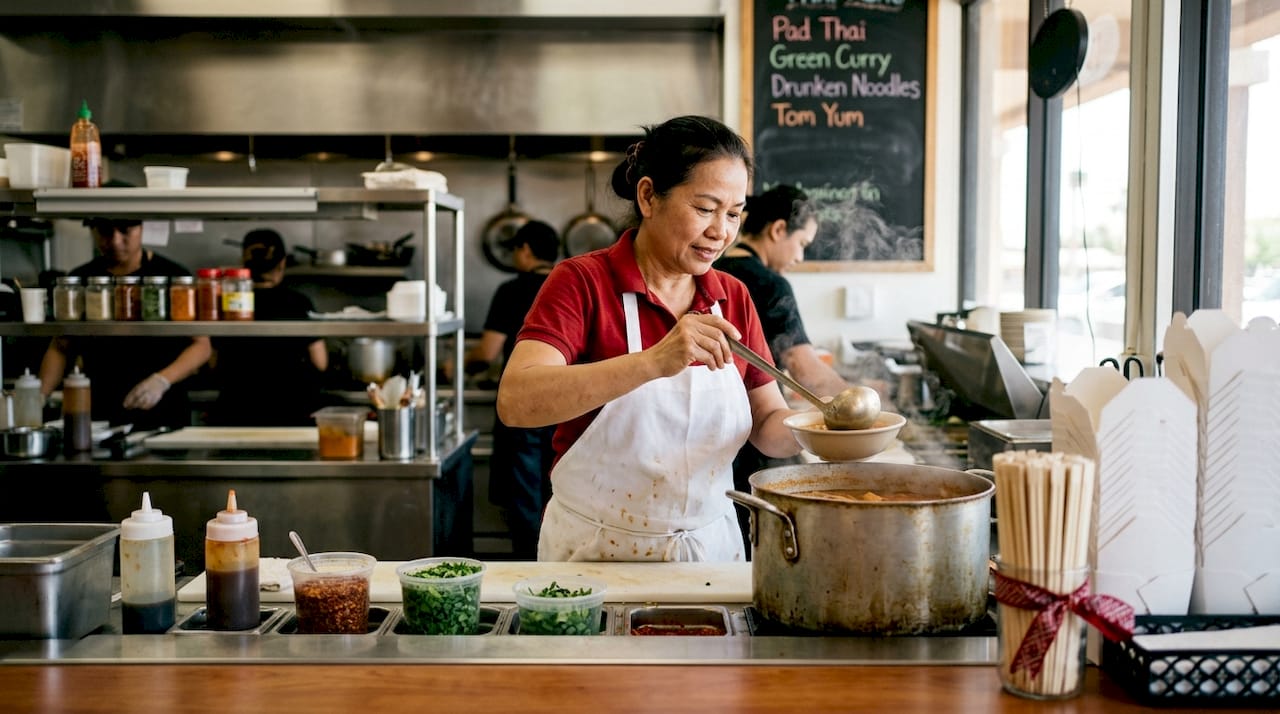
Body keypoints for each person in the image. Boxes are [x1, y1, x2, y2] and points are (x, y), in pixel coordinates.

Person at [497, 115, 801, 563]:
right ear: (648, 196)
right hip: (595, 557)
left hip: (709, 556)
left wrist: (818, 431)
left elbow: (768, 422)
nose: (721, 231)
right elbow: (516, 402)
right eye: (705, 208)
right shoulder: (582, 282)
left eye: (734, 213)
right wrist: (653, 362)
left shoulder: (732, 296)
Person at [713, 184, 857, 554]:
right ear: (778, 230)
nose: (800, 256)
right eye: (803, 243)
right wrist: (858, 407)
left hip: (711, 438)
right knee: (772, 544)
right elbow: (804, 367)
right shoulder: (771, 284)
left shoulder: (712, 270)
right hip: (759, 438)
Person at [38, 217, 212, 429]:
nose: (115, 241)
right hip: (100, 414)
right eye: (104, 231)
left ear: (141, 228)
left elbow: (202, 345)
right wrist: (38, 397)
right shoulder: (81, 280)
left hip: (162, 410)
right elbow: (60, 347)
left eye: (125, 231)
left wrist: (162, 381)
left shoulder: (173, 277)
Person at [464, 220, 561, 560]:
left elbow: (487, 353)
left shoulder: (512, 290)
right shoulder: (569, 285)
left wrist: (458, 365)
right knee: (561, 496)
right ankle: (557, 575)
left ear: (525, 250)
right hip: (566, 409)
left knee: (524, 505)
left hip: (523, 412)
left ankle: (528, 576)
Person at [212, 229, 328, 426]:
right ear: (282, 263)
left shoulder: (228, 303)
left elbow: (212, 362)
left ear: (244, 263)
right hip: (291, 410)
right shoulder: (299, 303)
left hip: (237, 410)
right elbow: (320, 362)